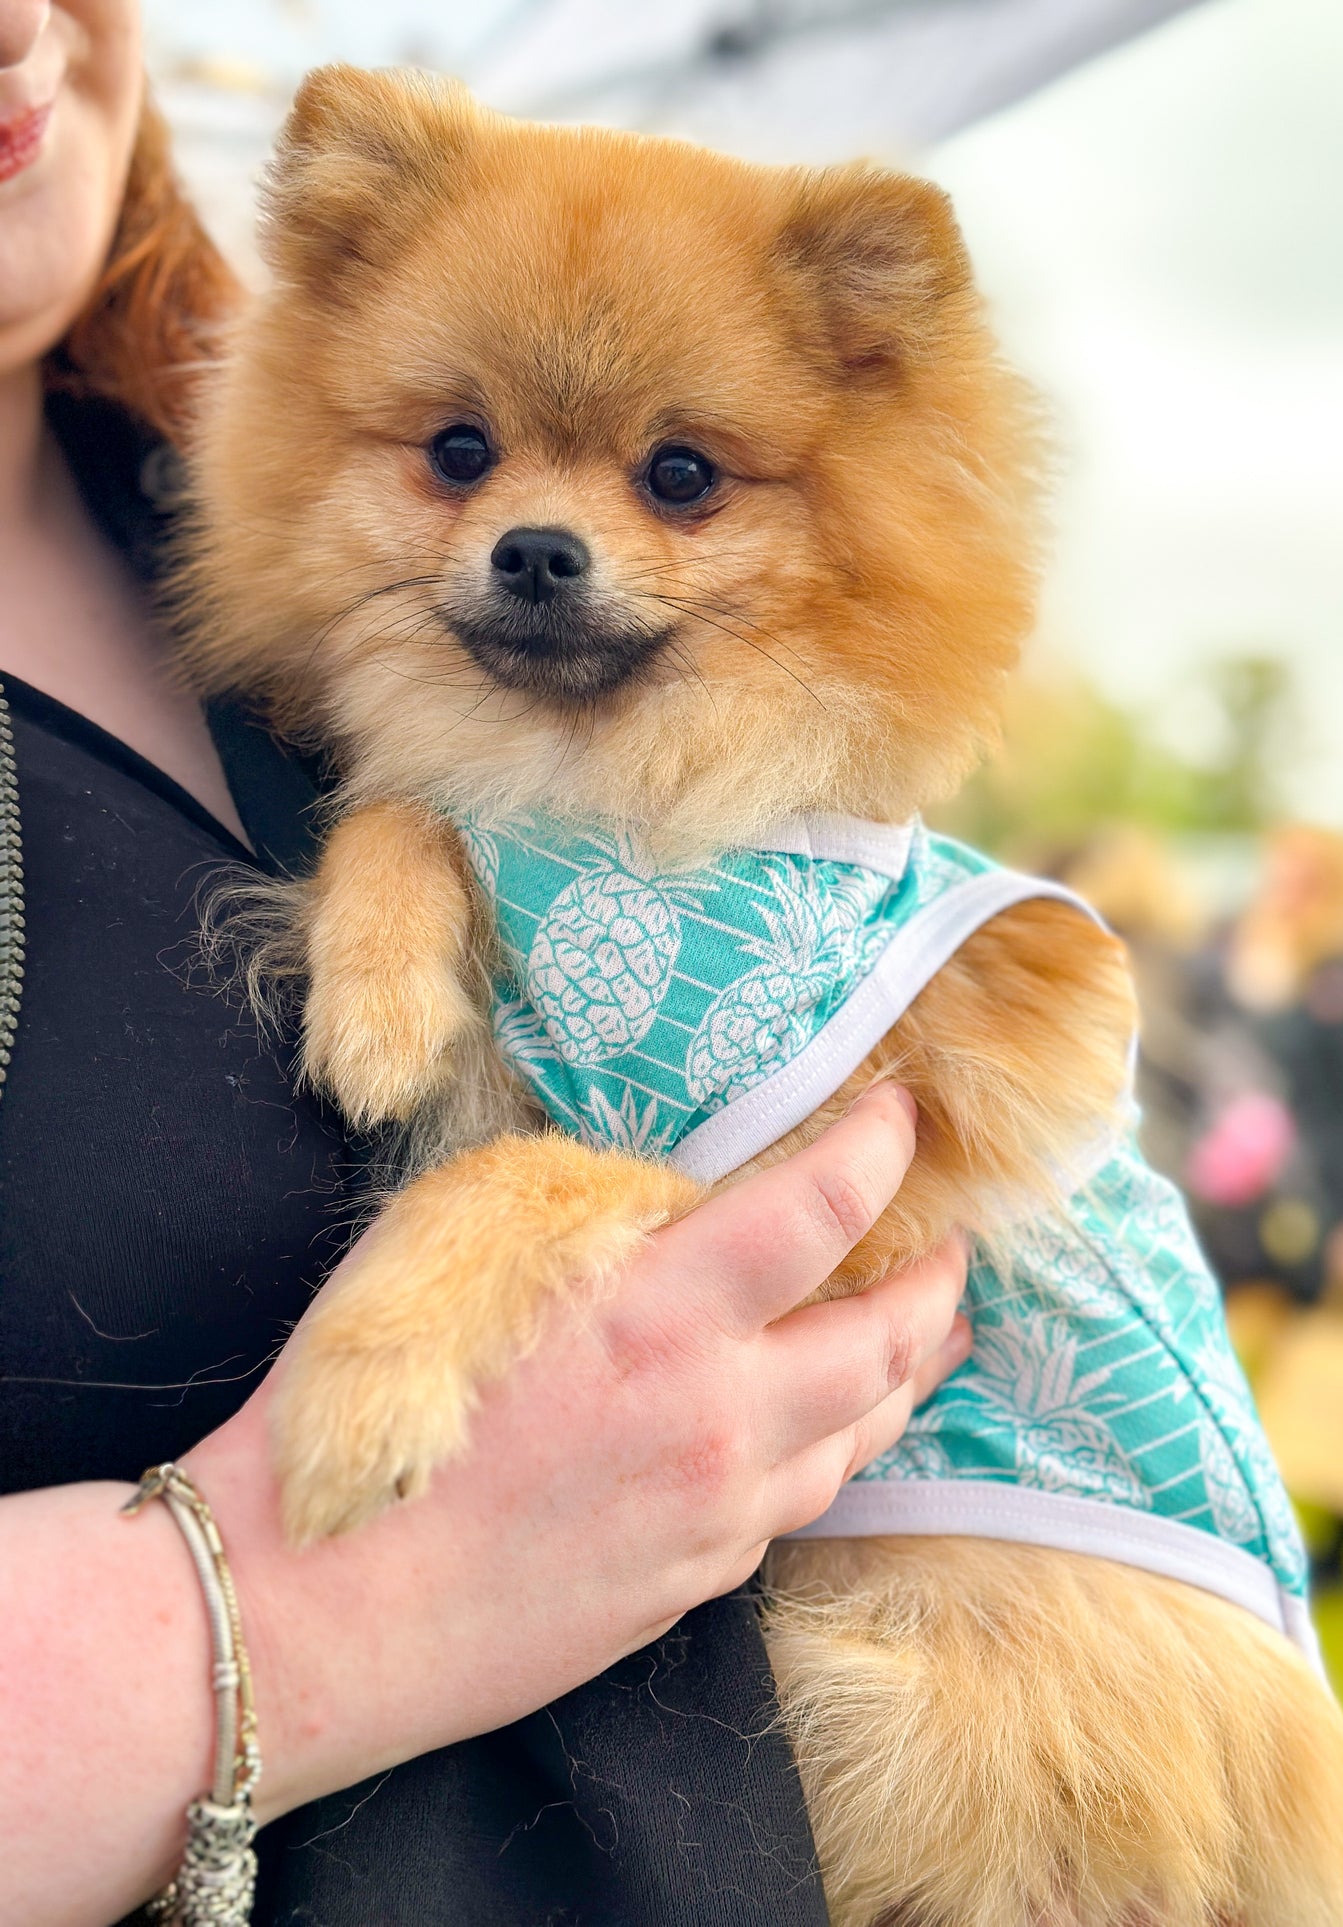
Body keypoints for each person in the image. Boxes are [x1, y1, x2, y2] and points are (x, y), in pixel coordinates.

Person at [0, 7, 973, 1923]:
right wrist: (300, 1604)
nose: (543, 534)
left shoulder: (224, 561)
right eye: (464, 457)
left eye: (678, 477)